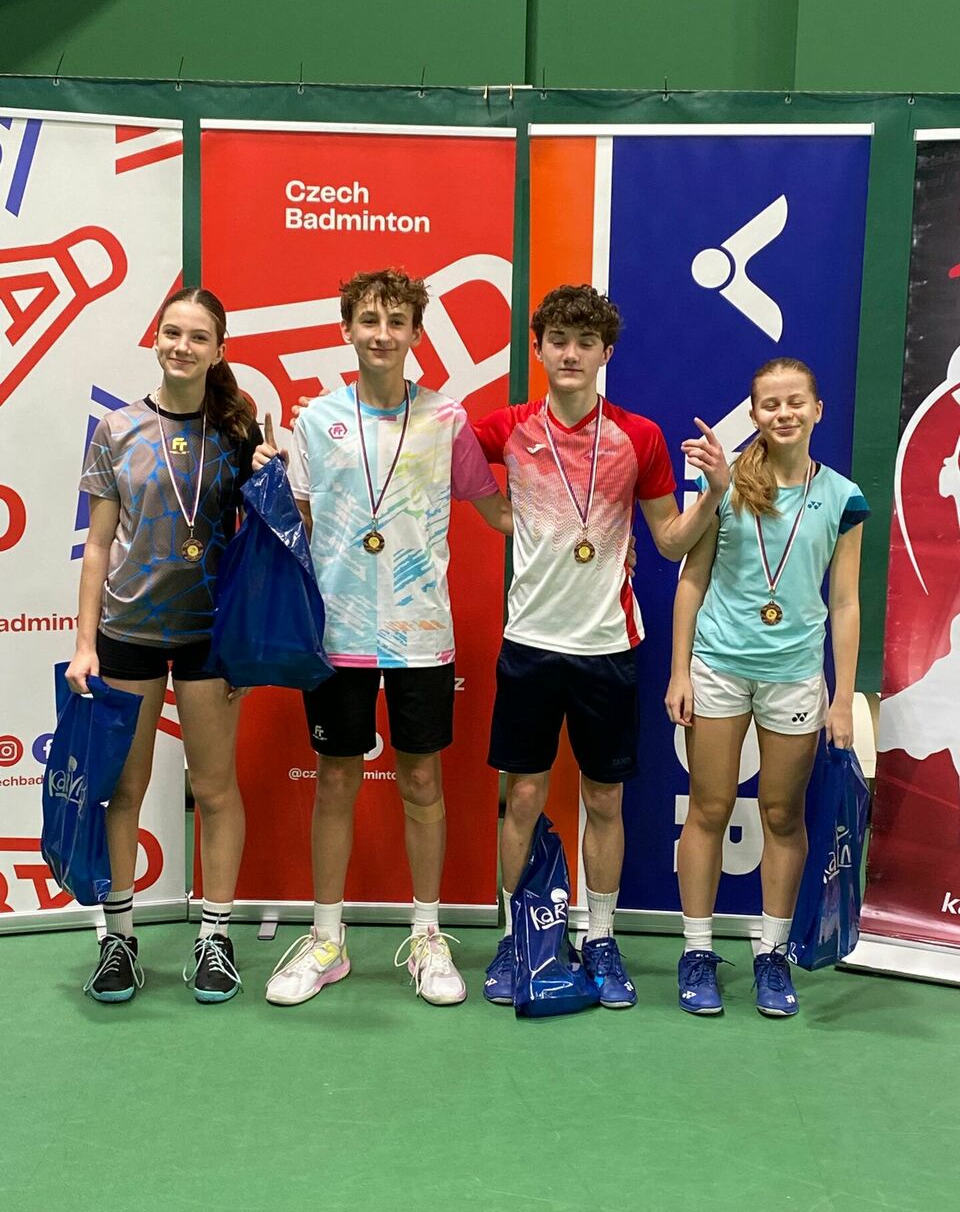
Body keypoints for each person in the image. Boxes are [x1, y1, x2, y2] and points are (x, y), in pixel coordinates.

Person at [257, 268, 511, 1008]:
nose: (382, 334)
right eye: (369, 320)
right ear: (347, 329)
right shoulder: (315, 421)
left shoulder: (447, 421)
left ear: (416, 333)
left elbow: (499, 513)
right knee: (335, 780)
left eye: (397, 321)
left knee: (422, 781)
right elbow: (297, 525)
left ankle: (427, 935)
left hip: (419, 633)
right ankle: (326, 939)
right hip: (337, 632)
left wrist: (591, 532)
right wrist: (265, 477)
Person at [472, 284, 731, 1008]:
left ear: (605, 353)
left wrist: (713, 492)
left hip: (606, 646)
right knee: (523, 796)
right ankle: (517, 941)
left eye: (586, 342)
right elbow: (440, 454)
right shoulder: (507, 428)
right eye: (558, 340)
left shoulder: (637, 437)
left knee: (604, 798)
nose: (571, 353)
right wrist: (498, 513)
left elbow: (670, 540)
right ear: (537, 348)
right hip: (529, 642)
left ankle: (601, 938)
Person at [67, 286, 262, 1004]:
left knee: (213, 787)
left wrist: (274, 472)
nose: (182, 346)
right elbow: (96, 545)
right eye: (172, 332)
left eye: (198, 337)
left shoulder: (237, 430)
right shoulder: (116, 428)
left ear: (218, 351)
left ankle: (215, 936)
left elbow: (263, 542)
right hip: (128, 632)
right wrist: (84, 642)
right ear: (157, 339)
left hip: (211, 634)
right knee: (124, 788)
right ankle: (117, 938)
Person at [665, 358, 869, 1017]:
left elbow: (846, 603)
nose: (784, 413)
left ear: (817, 410)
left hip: (795, 679)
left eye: (795, 402)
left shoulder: (843, 497)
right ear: (754, 414)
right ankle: (697, 952)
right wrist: (679, 670)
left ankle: (772, 954)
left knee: (782, 816)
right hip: (719, 668)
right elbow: (691, 580)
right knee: (709, 808)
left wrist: (842, 698)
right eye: (770, 404)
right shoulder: (724, 485)